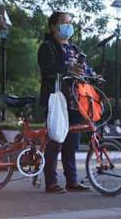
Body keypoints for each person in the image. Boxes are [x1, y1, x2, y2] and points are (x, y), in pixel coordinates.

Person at [37, 11, 91, 194]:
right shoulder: (47, 47)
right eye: (63, 22)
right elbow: (48, 70)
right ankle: (51, 182)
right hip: (56, 99)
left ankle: (72, 180)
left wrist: (91, 75)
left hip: (75, 100)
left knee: (71, 142)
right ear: (53, 26)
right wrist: (68, 69)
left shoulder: (75, 49)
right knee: (55, 139)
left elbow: (85, 69)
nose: (68, 26)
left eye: (70, 22)